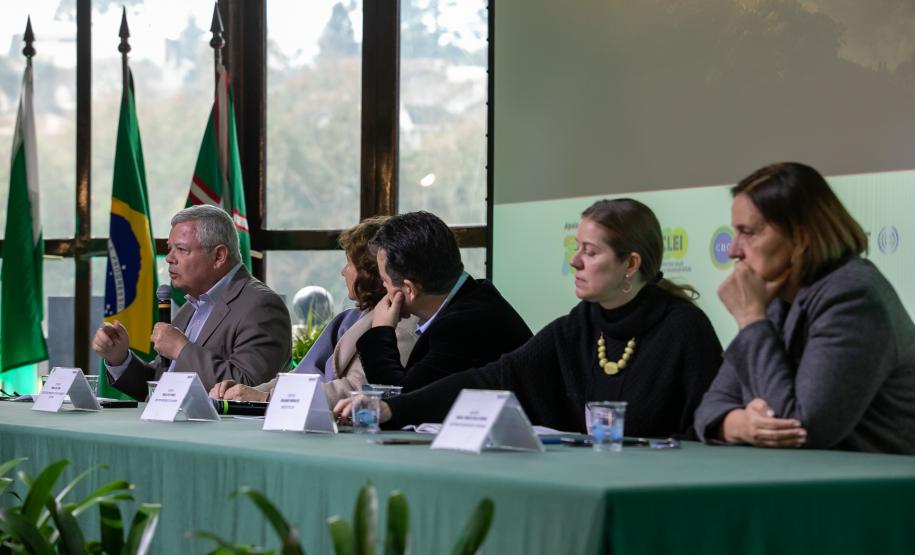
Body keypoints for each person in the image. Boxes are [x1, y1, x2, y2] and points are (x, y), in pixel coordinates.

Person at [336, 199, 723, 438]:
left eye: (589, 251)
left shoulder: (683, 328)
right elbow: (495, 377)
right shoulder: (583, 323)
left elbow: (706, 428)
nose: (574, 261)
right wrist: (392, 410)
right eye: (576, 249)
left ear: (630, 264)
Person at [694, 162, 915, 454]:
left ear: (801, 238)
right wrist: (743, 425)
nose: (734, 250)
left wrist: (750, 318)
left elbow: (800, 429)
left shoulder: (853, 297)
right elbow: (709, 410)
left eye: (748, 232)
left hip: (873, 491)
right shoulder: (775, 297)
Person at [209, 217, 419, 406]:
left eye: (349, 263)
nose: (343, 271)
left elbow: (359, 389)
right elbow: (302, 375)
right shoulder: (351, 317)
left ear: (370, 272)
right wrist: (246, 392)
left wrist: (267, 398)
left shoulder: (401, 323)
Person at [92, 205, 291, 401]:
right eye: (170, 249)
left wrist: (181, 348)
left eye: (181, 249)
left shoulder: (261, 306)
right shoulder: (193, 305)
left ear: (219, 256)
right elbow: (159, 385)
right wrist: (120, 359)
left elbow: (247, 390)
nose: (169, 258)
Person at [356, 211, 533, 392]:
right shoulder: (475, 296)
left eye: (385, 281)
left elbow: (403, 400)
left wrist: (380, 331)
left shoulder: (463, 326)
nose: (384, 288)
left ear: (409, 290)